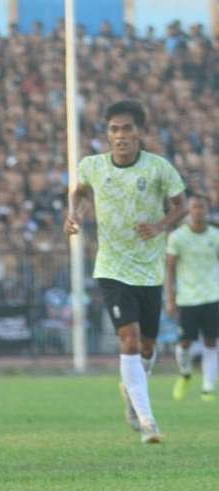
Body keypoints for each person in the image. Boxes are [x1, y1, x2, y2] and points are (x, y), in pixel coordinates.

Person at [64, 100, 187, 444]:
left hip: (149, 270)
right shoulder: (93, 166)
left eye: (127, 129)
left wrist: (160, 225)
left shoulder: (158, 168)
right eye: (114, 129)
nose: (120, 136)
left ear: (140, 132)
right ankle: (148, 421)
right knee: (129, 339)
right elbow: (79, 192)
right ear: (107, 134)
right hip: (112, 266)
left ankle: (132, 393)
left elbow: (181, 205)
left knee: (147, 347)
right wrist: (74, 213)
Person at [166, 193, 219, 402]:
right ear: (189, 211)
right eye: (194, 207)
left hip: (212, 296)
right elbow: (170, 270)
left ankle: (208, 387)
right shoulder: (177, 237)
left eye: (202, 208)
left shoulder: (215, 236)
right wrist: (170, 298)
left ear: (207, 210)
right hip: (187, 299)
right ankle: (185, 374)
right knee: (185, 343)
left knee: (211, 342)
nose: (198, 211)